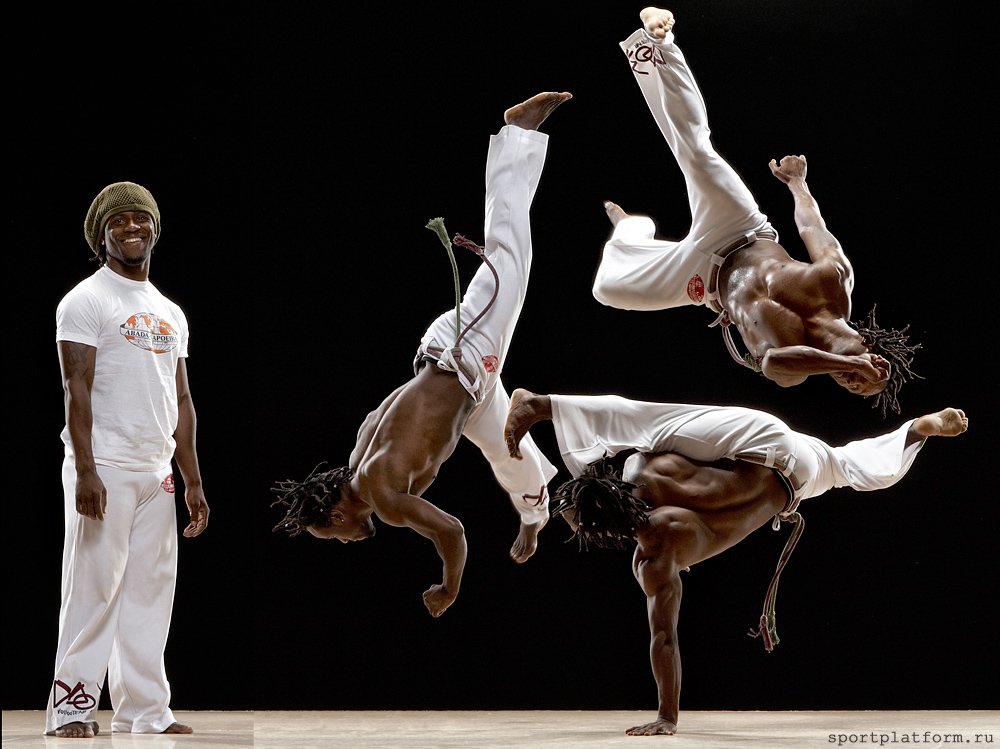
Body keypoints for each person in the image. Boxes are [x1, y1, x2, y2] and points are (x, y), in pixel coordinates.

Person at [504, 388, 968, 736]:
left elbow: (664, 637)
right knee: (652, 426)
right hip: (764, 439)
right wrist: (568, 497)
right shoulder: (643, 471)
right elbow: (605, 485)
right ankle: (912, 430)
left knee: (849, 468)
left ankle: (543, 405)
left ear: (604, 533)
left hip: (795, 477)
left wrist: (667, 717)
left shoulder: (656, 556)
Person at [271, 92, 571, 618]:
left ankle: (515, 135)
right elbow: (380, 412)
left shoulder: (382, 495)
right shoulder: (359, 458)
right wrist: (436, 391)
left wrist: (448, 588)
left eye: (333, 538)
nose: (344, 543)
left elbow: (451, 532)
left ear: (339, 516)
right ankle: (534, 516)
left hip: (463, 352)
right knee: (510, 449)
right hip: (463, 382)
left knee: (510, 258)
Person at [592, 7, 921, 416]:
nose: (854, 383)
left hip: (703, 278)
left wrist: (846, 364)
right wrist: (798, 184)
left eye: (854, 391)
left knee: (607, 289)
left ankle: (632, 229)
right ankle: (661, 43)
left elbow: (770, 364)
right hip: (740, 228)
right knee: (695, 150)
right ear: (873, 351)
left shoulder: (793, 361)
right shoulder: (835, 281)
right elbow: (811, 227)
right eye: (867, 379)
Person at [47, 182, 210, 738]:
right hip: (107, 465)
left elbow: (182, 399)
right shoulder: (86, 299)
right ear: (102, 234)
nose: (133, 228)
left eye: (142, 219)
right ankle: (71, 707)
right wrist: (86, 470)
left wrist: (192, 480)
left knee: (150, 593)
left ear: (155, 229)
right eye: (120, 221)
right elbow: (77, 387)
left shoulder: (169, 310)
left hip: (155, 470)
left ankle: (144, 710)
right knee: (93, 586)